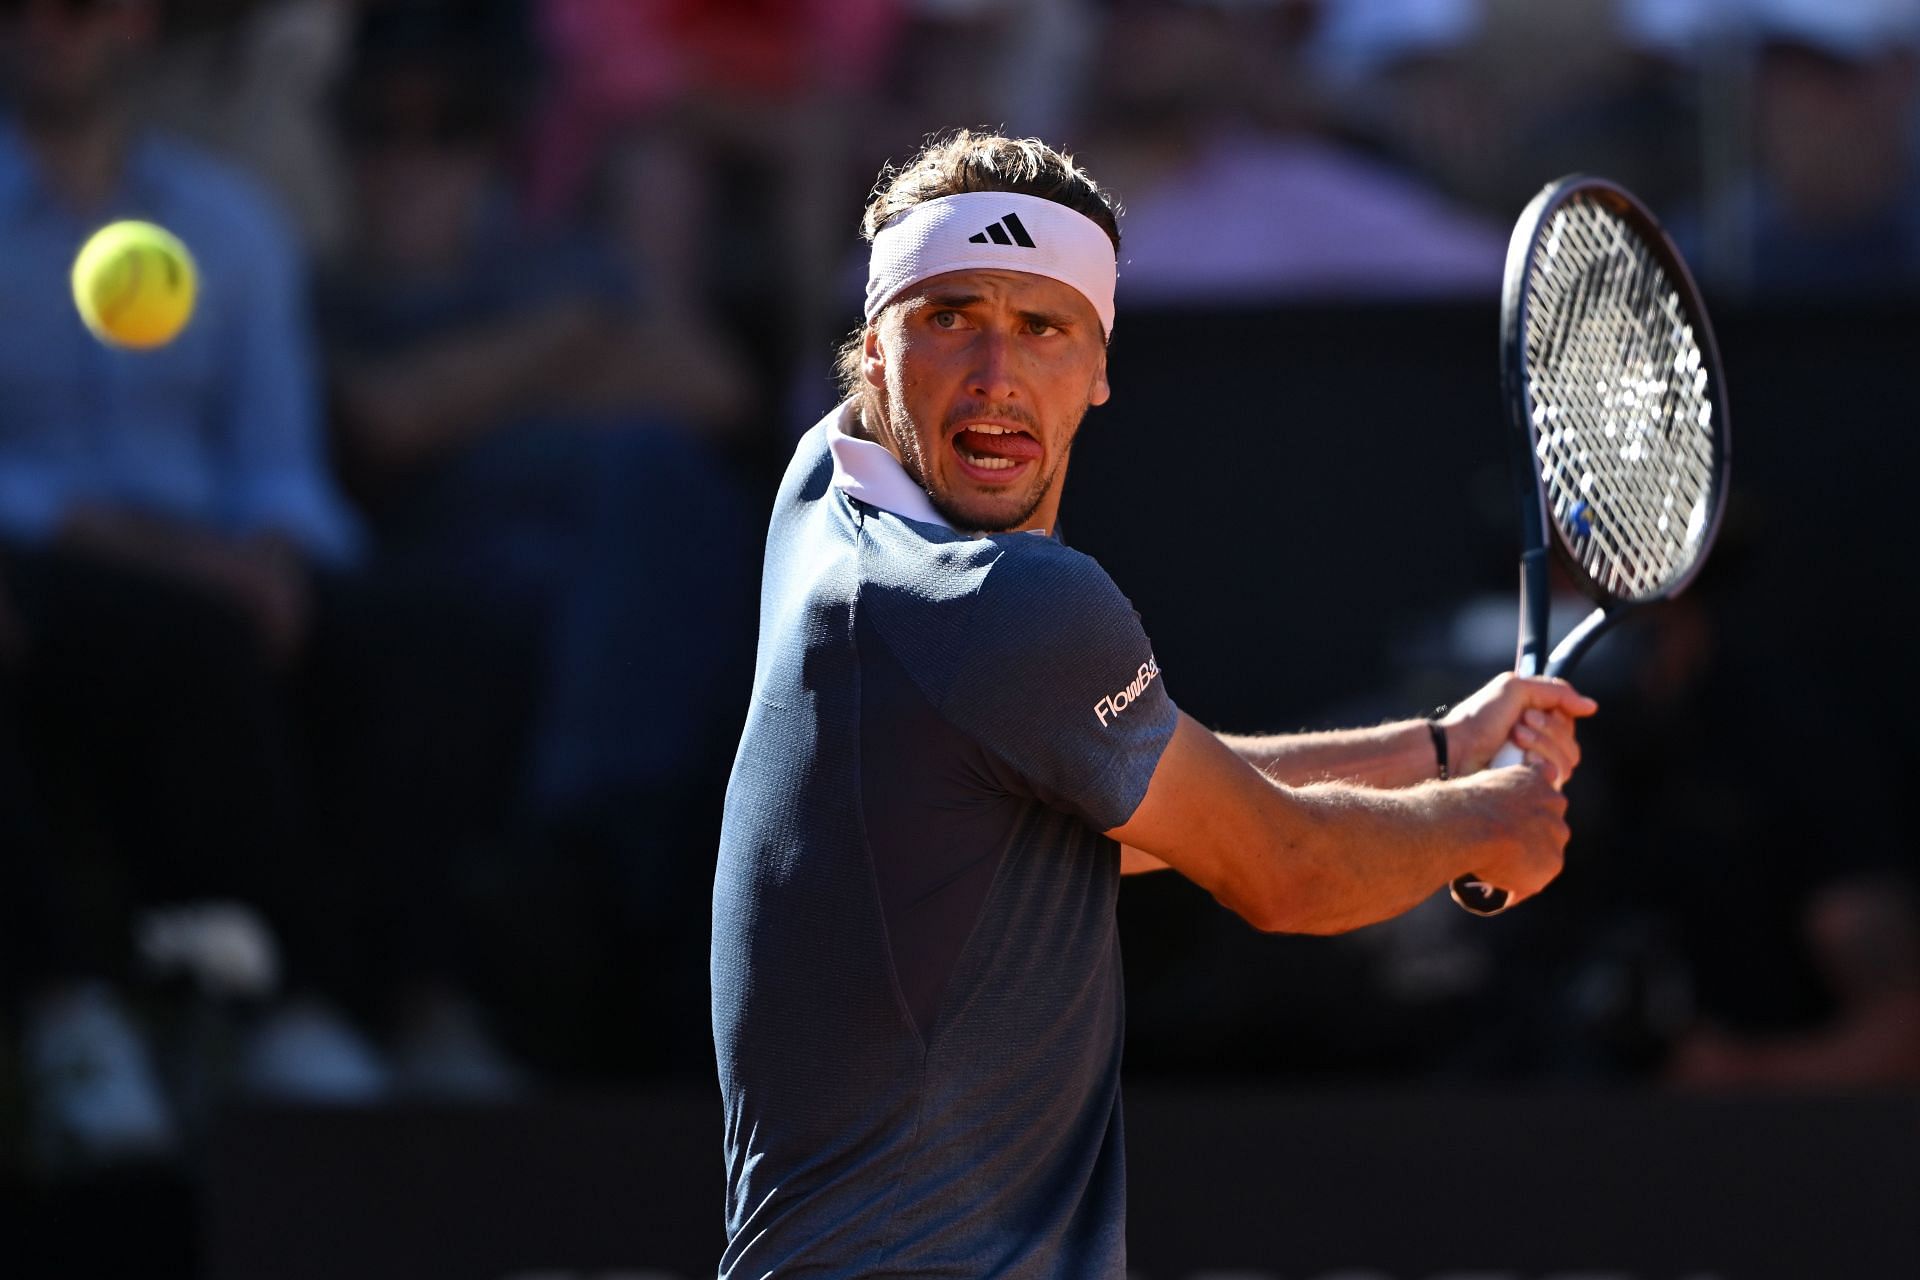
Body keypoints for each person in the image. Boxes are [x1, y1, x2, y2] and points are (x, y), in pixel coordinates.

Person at [710, 130, 1596, 1276]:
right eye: (951, 317)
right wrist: (1491, 819)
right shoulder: (1006, 603)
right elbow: (1282, 867)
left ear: (1100, 368)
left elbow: (1112, 788)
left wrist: (1434, 750)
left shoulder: (825, 498)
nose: (995, 375)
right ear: (873, 349)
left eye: (1043, 328)